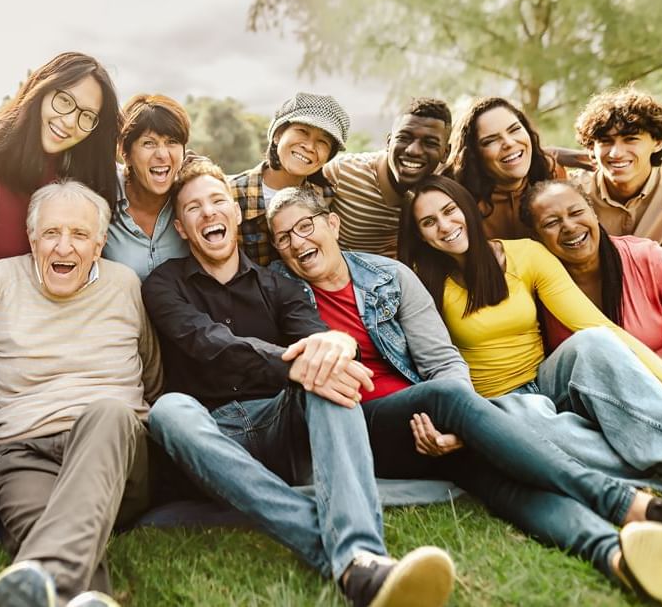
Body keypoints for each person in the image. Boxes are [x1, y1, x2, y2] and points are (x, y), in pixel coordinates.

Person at [267, 186, 662, 603]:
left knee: (502, 484)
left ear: (332, 224)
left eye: (305, 226)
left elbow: (442, 360)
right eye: (283, 238)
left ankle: (616, 557)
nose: (298, 242)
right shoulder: (278, 292)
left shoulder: (388, 276)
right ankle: (629, 503)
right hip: (359, 424)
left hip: (428, 421)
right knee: (444, 397)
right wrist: (452, 408)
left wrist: (455, 429)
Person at [144, 157, 456, 607]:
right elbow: (206, 341)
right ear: (181, 226)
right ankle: (341, 554)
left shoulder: (281, 287)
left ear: (235, 213)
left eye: (217, 201)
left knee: (330, 378)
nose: (209, 212)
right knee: (168, 410)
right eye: (194, 208)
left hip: (280, 425)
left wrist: (333, 348)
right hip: (211, 434)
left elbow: (318, 341)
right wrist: (291, 364)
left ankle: (362, 556)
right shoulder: (162, 284)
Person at [0, 181, 162, 607]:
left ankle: (43, 578)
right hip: (22, 454)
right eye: (51, 233)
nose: (64, 247)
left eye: (79, 234)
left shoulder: (124, 285)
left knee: (108, 412)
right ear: (32, 239)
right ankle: (75, 594)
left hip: (113, 449)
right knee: (49, 530)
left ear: (100, 242)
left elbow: (152, 377)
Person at [399, 175, 662, 477]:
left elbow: (595, 323)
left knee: (594, 340)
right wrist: (464, 423)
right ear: (421, 236)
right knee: (535, 421)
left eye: (450, 211)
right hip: (496, 404)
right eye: (429, 222)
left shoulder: (526, 254)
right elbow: (428, 364)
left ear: (466, 207)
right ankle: (652, 469)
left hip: (547, 381)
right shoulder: (420, 281)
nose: (445, 226)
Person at [0, 52, 122, 304]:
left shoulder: (88, 170)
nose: (71, 121)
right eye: (64, 101)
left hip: (78, 315)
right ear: (41, 90)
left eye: (87, 116)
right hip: (2, 320)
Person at [522, 179, 662, 360]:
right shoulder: (531, 287)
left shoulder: (647, 257)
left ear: (593, 212)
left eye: (576, 212)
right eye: (551, 222)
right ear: (536, 236)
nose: (569, 226)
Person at [231, 92, 350, 267]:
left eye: (323, 142)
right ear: (278, 135)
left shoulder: (325, 197)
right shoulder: (232, 193)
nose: (309, 146)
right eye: (302, 131)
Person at [323, 97, 452, 259]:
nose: (414, 151)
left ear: (445, 153)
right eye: (404, 138)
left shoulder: (444, 195)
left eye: (430, 142)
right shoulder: (342, 172)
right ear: (389, 142)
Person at [102, 94, 191, 281]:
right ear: (125, 153)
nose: (162, 155)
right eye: (148, 143)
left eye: (172, 142)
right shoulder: (102, 193)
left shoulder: (192, 195)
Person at [449, 96, 563, 240]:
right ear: (473, 154)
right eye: (491, 140)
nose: (509, 143)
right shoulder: (457, 202)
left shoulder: (553, 173)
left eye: (515, 129)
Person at [574, 87, 662, 251]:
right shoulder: (575, 193)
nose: (616, 153)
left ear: (658, 143)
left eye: (631, 139)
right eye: (605, 141)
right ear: (591, 147)